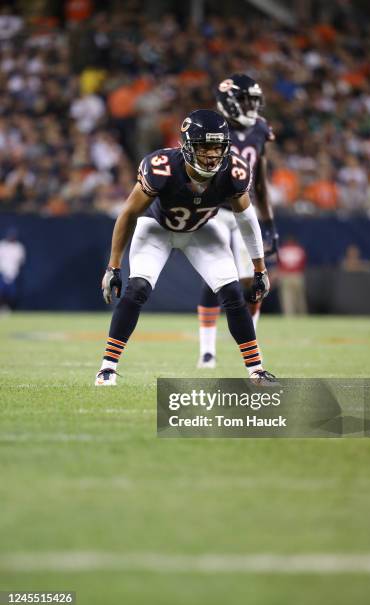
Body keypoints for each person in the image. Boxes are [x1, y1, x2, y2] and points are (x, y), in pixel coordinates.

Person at [95, 109, 275, 386]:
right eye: (205, 147)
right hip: (157, 229)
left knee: (232, 291)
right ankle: (107, 367)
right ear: (188, 146)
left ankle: (256, 370)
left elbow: (248, 220)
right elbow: (129, 213)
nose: (213, 155)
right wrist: (113, 265)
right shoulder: (161, 167)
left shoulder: (234, 171)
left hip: (201, 230)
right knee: (137, 288)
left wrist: (259, 268)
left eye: (218, 147)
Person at [196, 74, 279, 369]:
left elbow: (261, 182)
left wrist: (268, 222)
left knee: (254, 280)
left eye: (253, 100)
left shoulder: (260, 129)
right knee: (216, 277)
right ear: (229, 102)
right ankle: (207, 352)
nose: (251, 106)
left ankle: (250, 342)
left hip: (245, 210)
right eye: (245, 100)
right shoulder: (215, 128)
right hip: (215, 210)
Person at [278, 237, 307, 316]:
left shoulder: (283, 249)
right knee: (300, 299)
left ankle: (289, 316)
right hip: (297, 275)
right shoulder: (299, 249)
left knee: (287, 299)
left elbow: (280, 264)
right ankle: (302, 316)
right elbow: (303, 264)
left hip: (286, 276)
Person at [0, 228, 26, 310]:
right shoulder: (2, 245)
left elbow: (21, 261)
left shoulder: (18, 247)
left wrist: (14, 272)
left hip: (13, 274)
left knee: (12, 293)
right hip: (2, 273)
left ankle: (7, 308)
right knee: (1, 291)